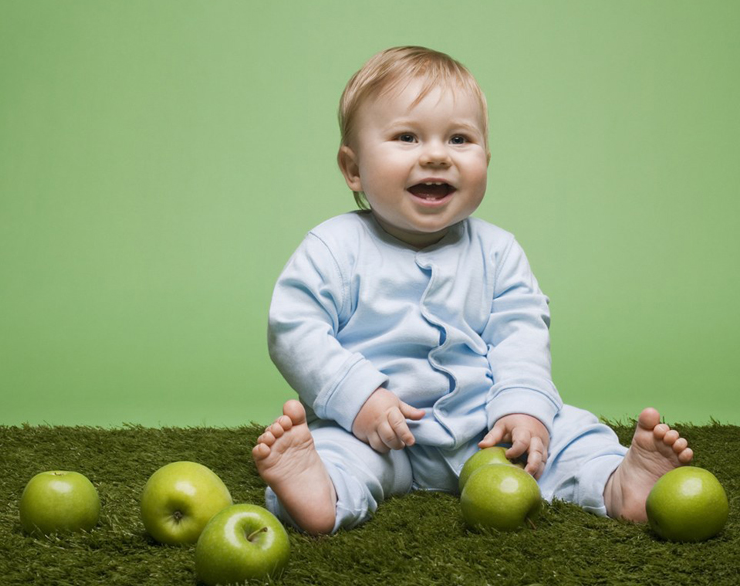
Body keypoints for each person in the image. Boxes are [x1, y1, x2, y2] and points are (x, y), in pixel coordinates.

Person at [252, 46, 693, 535]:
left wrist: (523, 406)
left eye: (459, 138)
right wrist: (359, 399)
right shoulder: (334, 248)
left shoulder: (497, 251)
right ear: (353, 169)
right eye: (406, 137)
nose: (437, 154)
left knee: (568, 433)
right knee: (338, 454)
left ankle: (618, 481)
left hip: (487, 430)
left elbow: (520, 332)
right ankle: (318, 493)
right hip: (377, 434)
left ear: (486, 157)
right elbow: (294, 329)